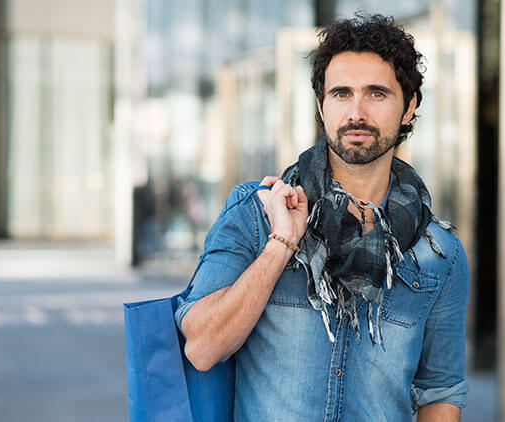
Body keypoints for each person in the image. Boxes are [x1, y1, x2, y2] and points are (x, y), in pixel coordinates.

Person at [175, 13, 469, 422]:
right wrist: (281, 244)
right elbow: (202, 347)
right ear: (321, 106)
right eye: (341, 93)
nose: (356, 112)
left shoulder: (439, 255)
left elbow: (440, 391)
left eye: (377, 94)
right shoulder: (257, 213)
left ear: (409, 107)